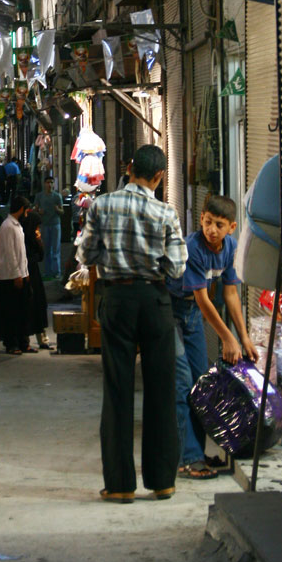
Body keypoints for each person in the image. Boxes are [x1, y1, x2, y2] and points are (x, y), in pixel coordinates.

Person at [76, 144, 187, 503]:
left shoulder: (102, 205)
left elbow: (86, 253)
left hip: (117, 299)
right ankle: (162, 481)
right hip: (155, 301)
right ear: (159, 177)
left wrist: (111, 255)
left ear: (128, 168)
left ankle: (121, 484)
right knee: (161, 389)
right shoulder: (166, 213)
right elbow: (177, 267)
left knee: (118, 390)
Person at [168, 194, 258, 481]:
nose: (211, 230)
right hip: (169, 313)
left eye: (219, 225)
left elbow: (230, 294)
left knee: (200, 385)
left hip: (193, 315)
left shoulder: (230, 248)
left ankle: (196, 452)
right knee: (183, 384)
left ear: (232, 227)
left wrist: (243, 337)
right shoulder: (192, 248)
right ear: (201, 219)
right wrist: (228, 339)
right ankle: (190, 458)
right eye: (207, 222)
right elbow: (204, 299)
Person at [0, 196, 32, 355]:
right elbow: (10, 253)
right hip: (10, 276)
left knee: (22, 311)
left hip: (20, 274)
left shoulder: (17, 225)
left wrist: (25, 272)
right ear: (21, 209)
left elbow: (21, 252)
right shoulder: (7, 226)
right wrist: (17, 274)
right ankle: (12, 343)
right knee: (11, 312)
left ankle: (23, 342)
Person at [21, 208, 52, 350]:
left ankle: (42, 339)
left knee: (39, 305)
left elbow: (40, 256)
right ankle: (27, 339)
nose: (38, 230)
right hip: (27, 275)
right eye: (37, 227)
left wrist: (39, 242)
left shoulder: (32, 239)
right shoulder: (23, 240)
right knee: (30, 306)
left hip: (34, 274)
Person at [33, 176, 64, 279]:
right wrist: (39, 211)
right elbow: (34, 209)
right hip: (44, 225)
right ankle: (47, 272)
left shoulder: (57, 196)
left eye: (51, 182)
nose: (49, 184)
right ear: (44, 184)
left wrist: (57, 209)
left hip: (55, 224)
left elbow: (62, 211)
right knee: (46, 249)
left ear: (53, 184)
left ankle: (56, 271)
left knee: (56, 249)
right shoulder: (39, 196)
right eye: (47, 182)